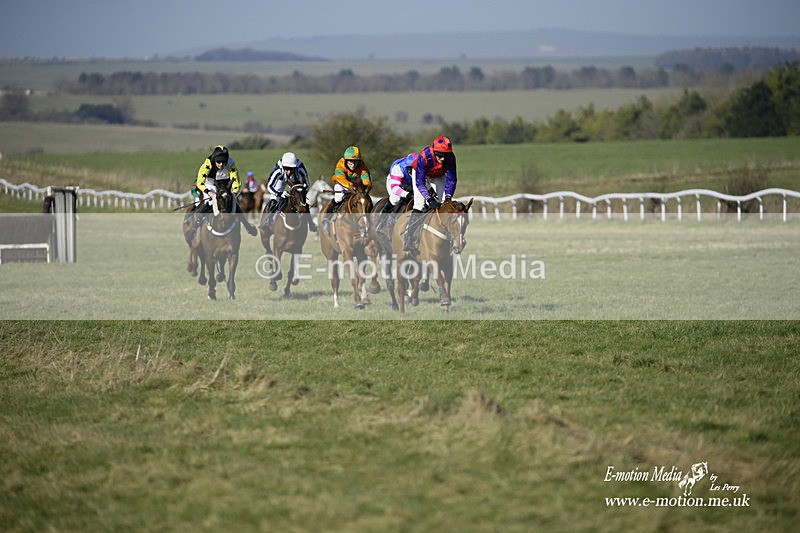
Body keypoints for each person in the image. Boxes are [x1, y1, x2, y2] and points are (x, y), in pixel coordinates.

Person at [184, 145, 258, 243]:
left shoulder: (231, 164)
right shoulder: (208, 164)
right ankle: (194, 228)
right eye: (218, 162)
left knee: (232, 201)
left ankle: (247, 225)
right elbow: (200, 182)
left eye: (223, 162)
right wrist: (207, 192)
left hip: (224, 184)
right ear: (214, 160)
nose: (221, 164)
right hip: (210, 184)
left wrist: (234, 194)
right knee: (212, 201)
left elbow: (236, 182)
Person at [403, 135, 458, 253]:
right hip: (420, 175)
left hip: (437, 175)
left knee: (446, 202)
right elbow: (420, 183)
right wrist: (429, 199)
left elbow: (452, 179)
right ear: (435, 151)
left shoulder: (451, 158)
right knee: (419, 204)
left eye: (446, 155)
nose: (443, 159)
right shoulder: (425, 156)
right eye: (440, 155)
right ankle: (409, 237)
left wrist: (448, 196)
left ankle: (450, 236)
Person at [320, 146, 372, 236]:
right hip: (341, 184)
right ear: (346, 160)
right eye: (350, 162)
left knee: (365, 199)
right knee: (339, 198)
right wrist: (350, 187)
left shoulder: (362, 165)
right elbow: (340, 178)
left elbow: (366, 179)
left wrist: (367, 187)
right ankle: (326, 218)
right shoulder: (340, 164)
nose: (353, 165)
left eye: (355, 162)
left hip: (356, 186)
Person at [260, 151, 316, 232]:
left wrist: (301, 194)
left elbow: (307, 184)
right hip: (280, 179)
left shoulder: (300, 168)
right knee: (274, 198)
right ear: (283, 166)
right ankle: (267, 222)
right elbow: (270, 186)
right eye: (287, 168)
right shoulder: (278, 170)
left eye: (292, 169)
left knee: (301, 200)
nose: (289, 171)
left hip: (295, 179)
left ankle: (311, 224)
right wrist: (280, 193)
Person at [375, 152, 417, 231]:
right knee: (395, 199)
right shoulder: (398, 168)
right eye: (412, 170)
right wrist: (406, 194)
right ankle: (381, 220)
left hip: (409, 182)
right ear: (407, 168)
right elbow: (395, 187)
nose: (415, 172)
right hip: (395, 182)